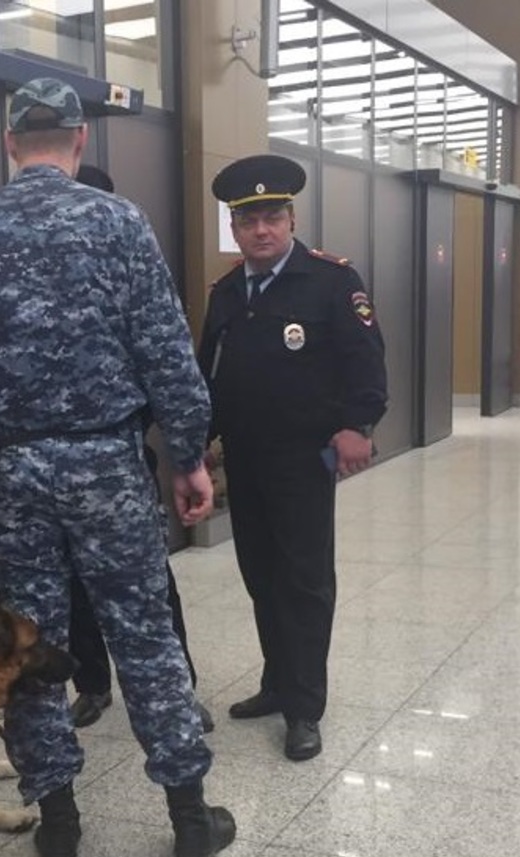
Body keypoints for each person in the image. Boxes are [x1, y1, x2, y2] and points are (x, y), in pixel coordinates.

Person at [0, 78, 234, 857]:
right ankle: (188, 817)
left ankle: (59, 823)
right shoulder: (119, 223)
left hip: (14, 475)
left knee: (26, 644)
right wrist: (189, 459)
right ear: (77, 142)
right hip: (108, 464)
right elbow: (169, 356)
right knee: (145, 634)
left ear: (9, 144)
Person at [200, 155, 387, 762]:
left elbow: (365, 360)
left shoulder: (332, 280)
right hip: (245, 461)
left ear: (291, 218)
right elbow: (210, 373)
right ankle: (277, 683)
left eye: (273, 217)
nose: (262, 229)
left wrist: (357, 425)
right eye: (249, 219)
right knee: (262, 577)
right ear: (234, 227)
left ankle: (305, 708)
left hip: (305, 460)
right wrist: (198, 440)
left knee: (305, 582)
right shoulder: (226, 292)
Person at [63, 162, 210, 734]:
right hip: (58, 462)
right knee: (73, 583)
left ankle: (181, 692)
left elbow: (164, 361)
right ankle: (93, 684)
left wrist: (173, 442)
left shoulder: (125, 271)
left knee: (151, 586)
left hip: (120, 455)